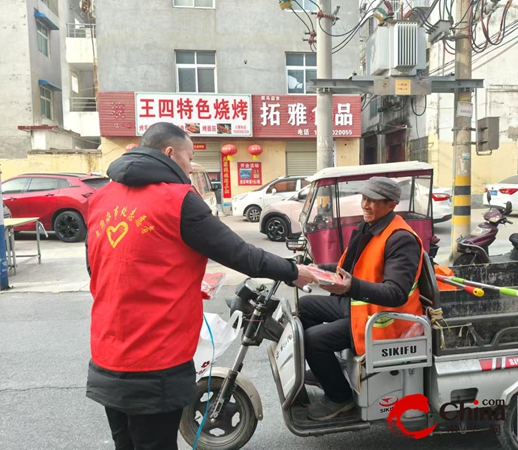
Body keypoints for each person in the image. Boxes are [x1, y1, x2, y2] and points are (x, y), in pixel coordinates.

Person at [85, 122, 318, 450]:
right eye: (190, 156)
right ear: (170, 153)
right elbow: (240, 254)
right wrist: (294, 271)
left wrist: (178, 281)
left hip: (107, 352)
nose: (191, 165)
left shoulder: (101, 198)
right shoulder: (178, 198)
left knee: (125, 444)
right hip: (155, 358)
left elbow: (102, 268)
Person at [299, 176, 424, 421]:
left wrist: (350, 287)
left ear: (391, 204)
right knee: (304, 307)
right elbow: (351, 267)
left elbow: (397, 293)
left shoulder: (400, 238)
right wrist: (318, 269)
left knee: (313, 340)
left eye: (373, 201)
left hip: (382, 319)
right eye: (364, 198)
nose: (365, 205)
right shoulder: (370, 227)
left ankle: (339, 397)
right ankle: (327, 370)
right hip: (361, 306)